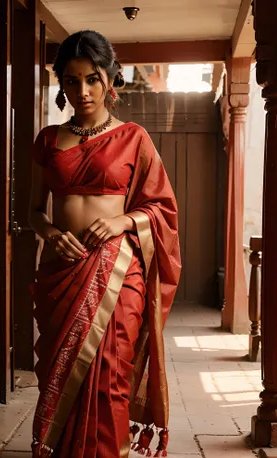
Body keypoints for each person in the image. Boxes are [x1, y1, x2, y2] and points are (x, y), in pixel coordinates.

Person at [28, 29, 181, 458]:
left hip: (119, 273)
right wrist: (52, 234)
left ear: (109, 80)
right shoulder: (48, 141)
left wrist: (122, 223)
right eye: (72, 81)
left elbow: (162, 209)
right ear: (61, 84)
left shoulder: (134, 138)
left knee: (111, 374)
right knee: (59, 376)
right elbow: (33, 212)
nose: (83, 91)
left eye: (92, 79)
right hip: (62, 271)